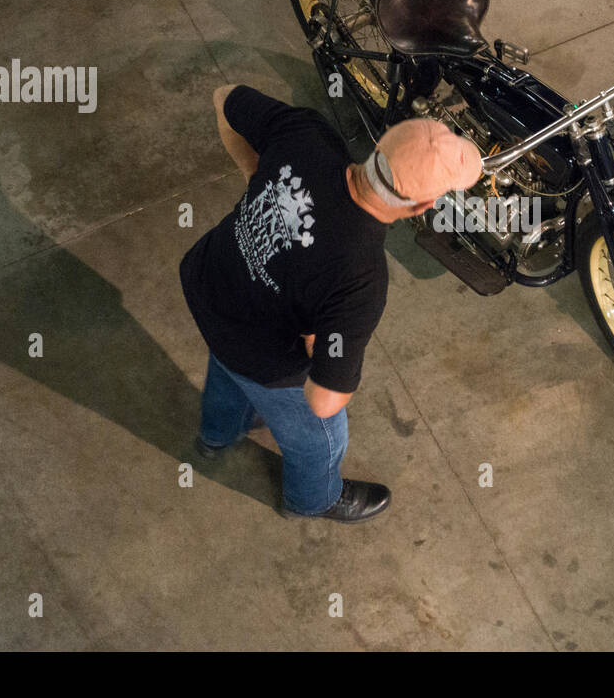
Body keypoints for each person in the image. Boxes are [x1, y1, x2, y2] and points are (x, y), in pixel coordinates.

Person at [180, 84, 481, 522]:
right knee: (320, 439)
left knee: (227, 369)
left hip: (210, 281)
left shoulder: (307, 132)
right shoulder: (362, 279)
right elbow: (324, 400)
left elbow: (223, 97)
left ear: (382, 144)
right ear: (423, 206)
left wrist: (253, 170)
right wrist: (321, 350)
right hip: (263, 352)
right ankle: (312, 500)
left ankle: (217, 435)